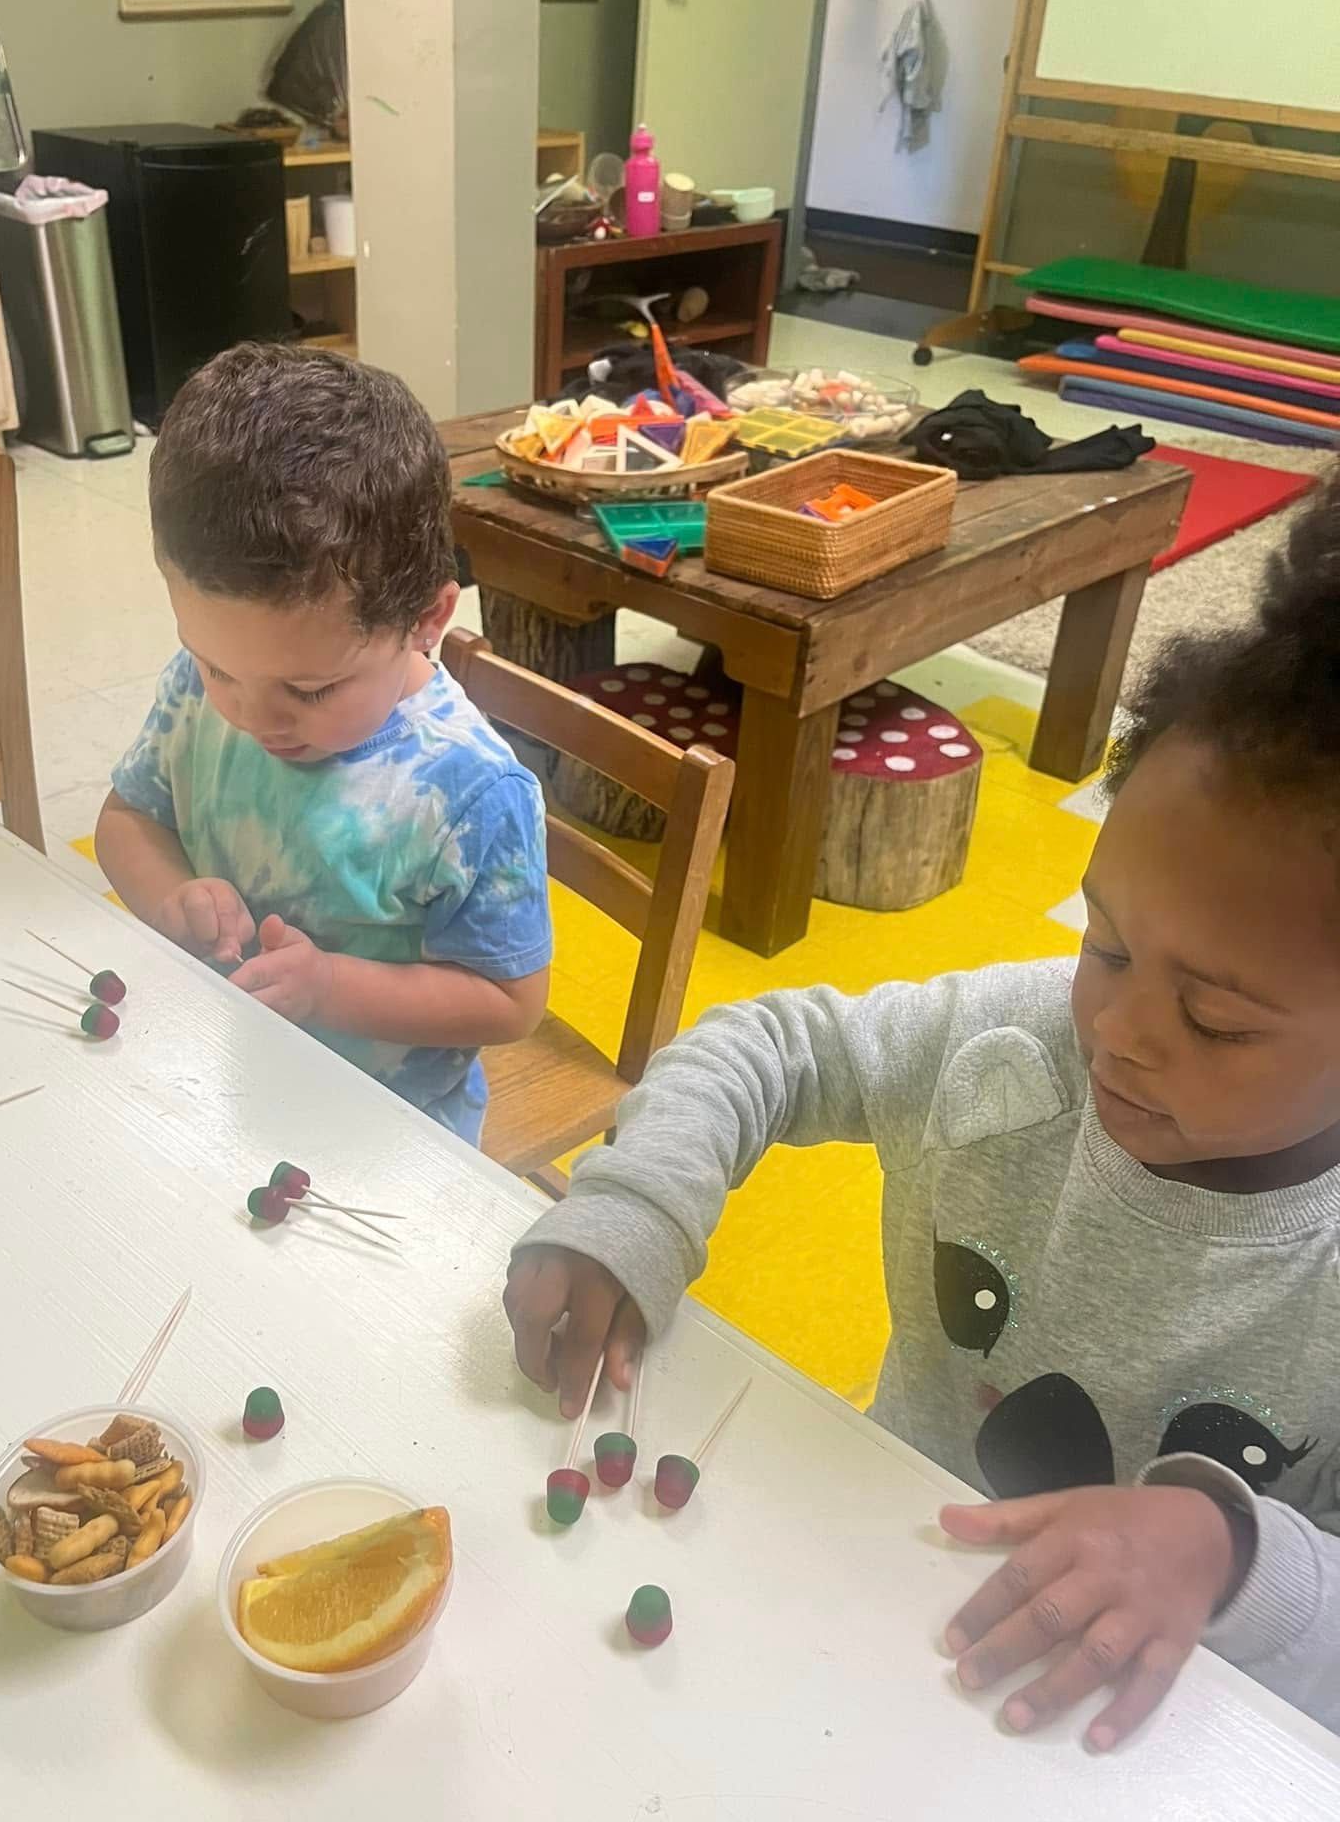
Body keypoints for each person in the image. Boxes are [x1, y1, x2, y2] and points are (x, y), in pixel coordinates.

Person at [505, 470, 1340, 1745]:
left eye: (1216, 1019)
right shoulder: (1018, 1045)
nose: (1114, 1029)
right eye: (1104, 943)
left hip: (1149, 1742)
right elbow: (767, 1042)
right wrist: (640, 1200)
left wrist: (1231, 1547)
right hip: (872, 1590)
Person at [97, 344, 551, 1144]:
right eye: (217, 666)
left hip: (388, 1132)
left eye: (310, 691)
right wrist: (172, 896)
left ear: (427, 623)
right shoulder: (203, 690)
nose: (252, 715)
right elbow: (129, 820)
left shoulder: (471, 796)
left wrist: (327, 986)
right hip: (218, 1070)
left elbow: (510, 1003)